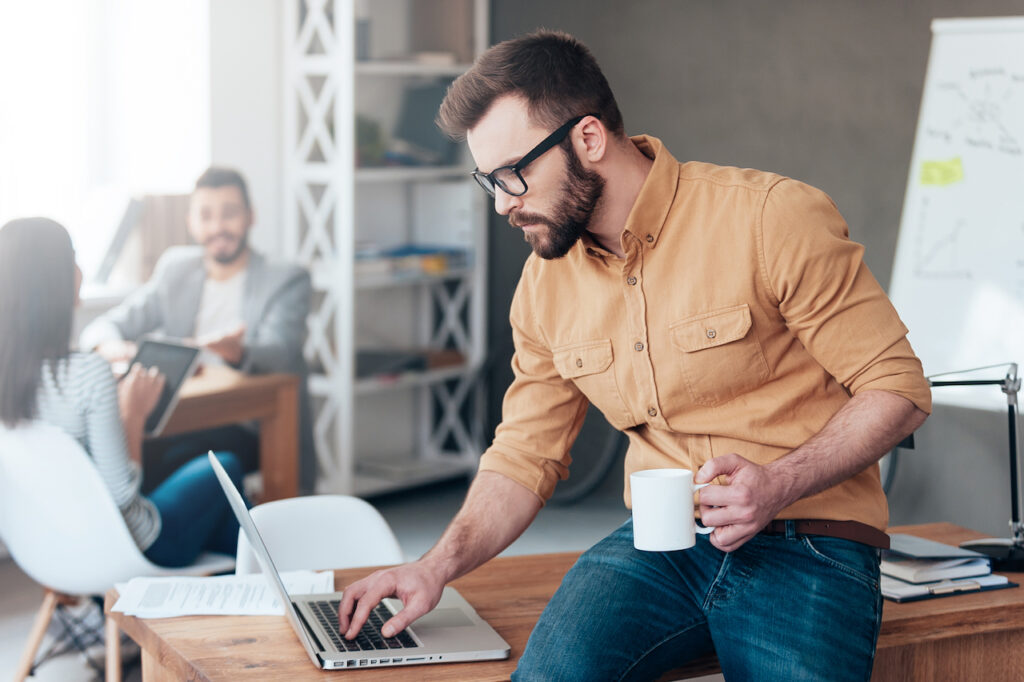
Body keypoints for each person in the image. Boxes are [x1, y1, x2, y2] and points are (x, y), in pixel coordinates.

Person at [338, 30, 932, 681]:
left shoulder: (770, 218)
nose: (505, 204)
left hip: (810, 537)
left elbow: (897, 389)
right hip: (660, 545)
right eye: (490, 182)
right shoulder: (544, 285)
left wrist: (778, 483)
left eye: (514, 175)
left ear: (588, 139)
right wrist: (434, 565)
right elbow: (523, 454)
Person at [0, 217, 246, 567]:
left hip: (54, 548)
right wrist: (133, 413)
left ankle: (251, 584)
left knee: (223, 522)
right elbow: (122, 495)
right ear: (53, 278)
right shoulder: (87, 373)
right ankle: (279, 584)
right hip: (136, 548)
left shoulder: (9, 376)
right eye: (73, 258)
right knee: (225, 464)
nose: (80, 270)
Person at [79, 166, 317, 494]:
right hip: (180, 416)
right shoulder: (176, 268)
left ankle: (152, 535)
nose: (218, 227)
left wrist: (240, 352)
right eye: (206, 216)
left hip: (249, 423)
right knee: (113, 445)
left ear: (251, 216)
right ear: (191, 222)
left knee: (171, 459)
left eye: (230, 214)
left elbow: (281, 350)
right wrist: (111, 346)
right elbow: (102, 327)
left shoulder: (285, 277)